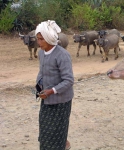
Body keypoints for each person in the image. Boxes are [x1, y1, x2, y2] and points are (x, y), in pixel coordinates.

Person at [35, 20, 74, 150]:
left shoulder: (62, 55)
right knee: (45, 128)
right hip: (46, 99)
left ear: (49, 38)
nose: (39, 42)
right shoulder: (41, 53)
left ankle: (63, 145)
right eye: (38, 39)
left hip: (61, 101)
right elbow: (42, 72)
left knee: (57, 131)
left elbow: (68, 80)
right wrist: (38, 87)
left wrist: (51, 91)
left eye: (42, 39)